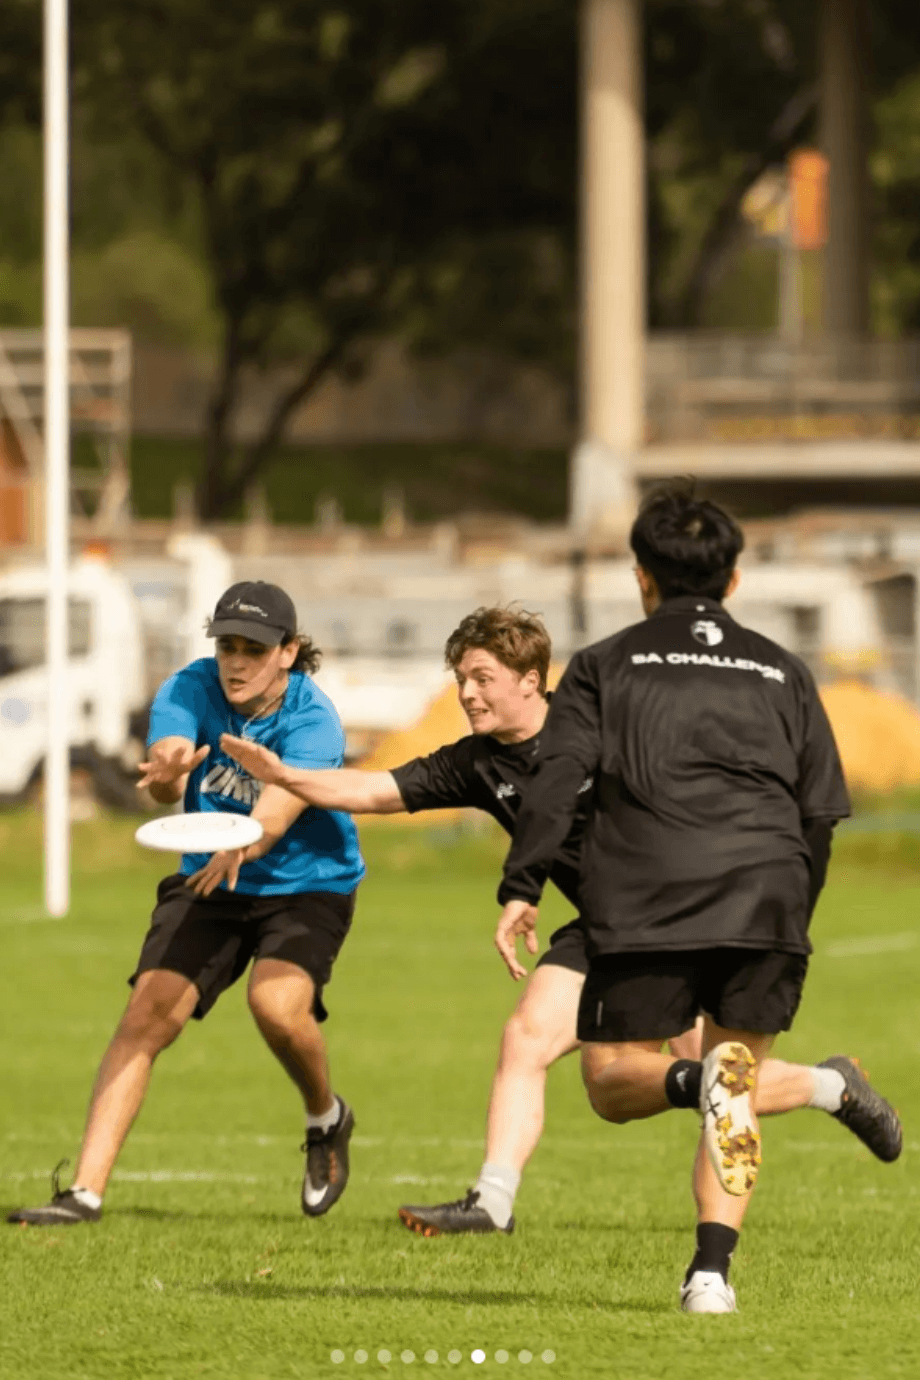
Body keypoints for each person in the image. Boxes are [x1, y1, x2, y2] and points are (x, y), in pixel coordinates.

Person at [220, 604, 899, 1242]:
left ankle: (831, 1085)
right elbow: (372, 789)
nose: (468, 694)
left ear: (531, 682)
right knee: (528, 1037)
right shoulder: (477, 761)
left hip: (682, 919)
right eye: (461, 680)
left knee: (706, 1071)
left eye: (483, 678)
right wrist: (289, 776)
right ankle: (493, 1200)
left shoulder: (606, 731)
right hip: (606, 926)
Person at [494, 485, 902, 1313]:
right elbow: (822, 809)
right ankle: (710, 1277)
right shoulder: (784, 668)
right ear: (735, 579)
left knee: (612, 1082)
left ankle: (698, 1082)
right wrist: (792, 910)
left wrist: (521, 886)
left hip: (649, 892)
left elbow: (555, 781)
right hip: (770, 896)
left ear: (641, 577)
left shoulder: (606, 664)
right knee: (737, 1078)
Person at [9, 581, 364, 1227]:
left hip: (308, 882)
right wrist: (168, 770)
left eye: (253, 649)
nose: (236, 660)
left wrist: (247, 843)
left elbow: (277, 812)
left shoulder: (314, 719)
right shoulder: (189, 687)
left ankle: (325, 1117)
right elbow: (165, 764)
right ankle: (83, 1195)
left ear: (288, 652)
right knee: (145, 1016)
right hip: (211, 878)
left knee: (277, 1008)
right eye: (227, 645)